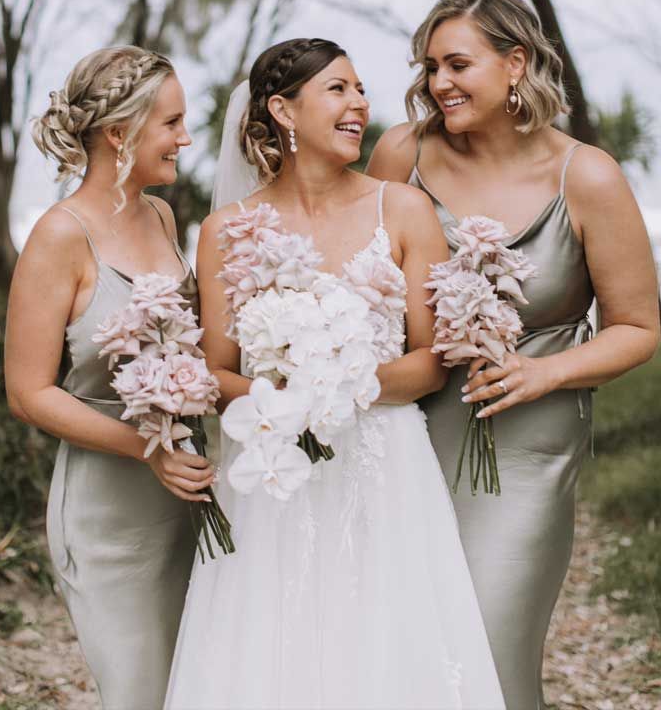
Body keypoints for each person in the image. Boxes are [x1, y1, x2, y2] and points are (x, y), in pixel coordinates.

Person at [164, 37, 505, 710]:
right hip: (273, 473)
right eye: (338, 90)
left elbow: (432, 361)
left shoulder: (402, 210)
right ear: (283, 111)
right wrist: (286, 401)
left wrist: (342, 384)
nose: (359, 105)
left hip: (386, 469)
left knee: (388, 644)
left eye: (360, 91)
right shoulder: (226, 230)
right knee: (273, 647)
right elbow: (216, 372)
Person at [368, 0, 660, 710]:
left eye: (457, 63)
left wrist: (545, 371)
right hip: (409, 432)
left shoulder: (586, 177)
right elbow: (362, 285)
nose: (438, 83)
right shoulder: (401, 154)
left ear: (515, 64)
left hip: (530, 440)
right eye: (429, 66)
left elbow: (637, 327)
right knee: (411, 646)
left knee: (491, 648)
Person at [5, 46, 214, 710]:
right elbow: (28, 392)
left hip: (190, 497)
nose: (186, 139)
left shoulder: (160, 216)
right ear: (120, 133)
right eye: (172, 123)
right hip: (110, 515)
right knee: (140, 693)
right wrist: (146, 447)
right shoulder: (59, 236)